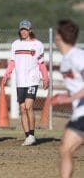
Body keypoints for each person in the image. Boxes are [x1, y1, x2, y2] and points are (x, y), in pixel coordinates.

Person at [2, 20, 49, 146]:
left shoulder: (37, 44)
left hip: (32, 79)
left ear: (30, 30)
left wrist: (45, 78)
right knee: (22, 109)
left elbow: (42, 63)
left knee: (28, 106)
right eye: (22, 29)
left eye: (26, 29)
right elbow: (12, 62)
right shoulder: (15, 44)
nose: (23, 31)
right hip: (20, 81)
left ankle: (32, 135)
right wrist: (7, 74)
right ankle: (28, 136)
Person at [51, 19, 84, 178]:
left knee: (65, 149)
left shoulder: (78, 57)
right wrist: (68, 96)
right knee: (65, 149)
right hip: (80, 112)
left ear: (58, 37)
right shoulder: (67, 59)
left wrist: (67, 100)